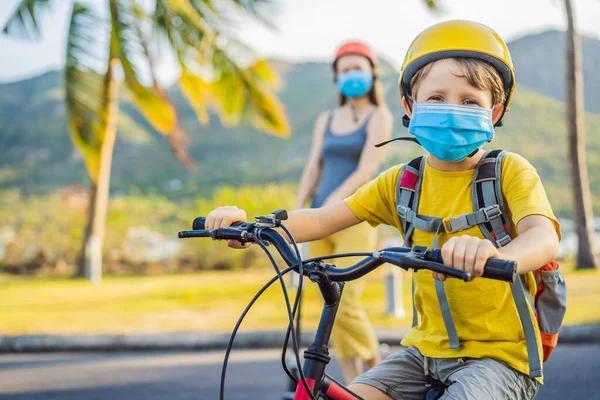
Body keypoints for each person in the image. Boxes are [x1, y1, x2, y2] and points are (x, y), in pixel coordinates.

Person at [205, 20, 561, 400]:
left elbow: (542, 238)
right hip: (422, 353)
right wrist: (251, 225)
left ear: (494, 112)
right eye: (436, 98)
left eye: (470, 100)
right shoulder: (402, 182)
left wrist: (495, 253)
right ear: (410, 106)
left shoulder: (509, 171)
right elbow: (325, 218)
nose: (451, 109)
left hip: (500, 358)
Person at [293, 40, 393, 383]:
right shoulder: (327, 118)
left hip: (354, 215)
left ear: (372, 73)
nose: (351, 74)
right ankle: (353, 386)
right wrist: (296, 211)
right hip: (319, 219)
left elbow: (367, 170)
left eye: (357, 68)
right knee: (329, 304)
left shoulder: (379, 117)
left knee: (348, 303)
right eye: (344, 69)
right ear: (336, 76)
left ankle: (378, 369)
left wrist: (331, 206)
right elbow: (313, 167)